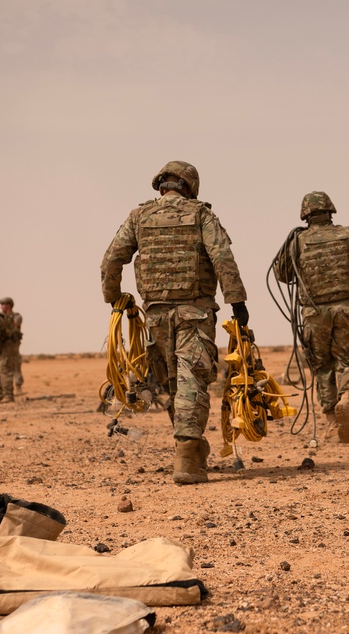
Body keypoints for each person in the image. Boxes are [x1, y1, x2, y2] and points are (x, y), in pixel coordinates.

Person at [100, 160, 248, 485]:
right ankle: (187, 453)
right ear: (190, 186)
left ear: (161, 184)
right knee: (192, 381)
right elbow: (222, 257)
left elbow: (112, 258)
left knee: (171, 385)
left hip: (155, 317)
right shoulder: (200, 214)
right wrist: (237, 302)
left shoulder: (139, 217)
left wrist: (113, 297)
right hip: (194, 314)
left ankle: (190, 452)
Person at [272, 191, 349, 444]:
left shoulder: (297, 242)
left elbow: (282, 274)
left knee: (322, 366)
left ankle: (332, 423)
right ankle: (347, 398)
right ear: (330, 211)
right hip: (348, 308)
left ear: (305, 214)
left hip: (314, 313)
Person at [0, 297, 24, 394]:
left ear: (8, 305)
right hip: (3, 345)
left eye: (3, 305)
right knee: (2, 367)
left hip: (13, 345)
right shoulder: (0, 316)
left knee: (15, 365)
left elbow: (15, 326)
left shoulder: (16, 316)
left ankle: (18, 386)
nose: (1, 307)